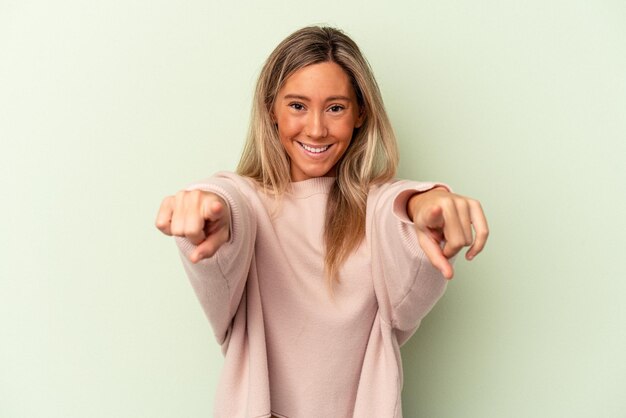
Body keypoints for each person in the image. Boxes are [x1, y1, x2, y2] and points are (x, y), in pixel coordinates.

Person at [155, 26, 488, 418]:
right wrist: (208, 208)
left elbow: (396, 210)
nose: (316, 129)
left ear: (360, 113)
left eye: (335, 107)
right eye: (297, 106)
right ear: (270, 110)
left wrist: (426, 203)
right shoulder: (248, 203)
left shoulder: (377, 208)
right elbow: (231, 202)